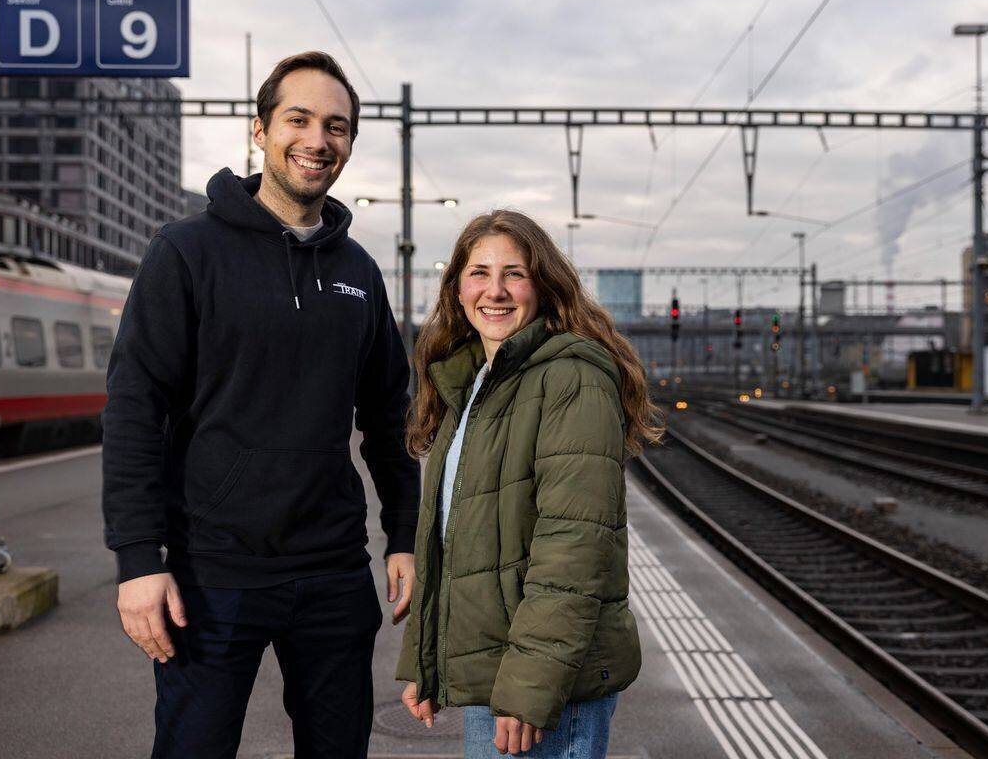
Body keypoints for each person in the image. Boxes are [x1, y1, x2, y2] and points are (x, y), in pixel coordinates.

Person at [101, 51, 420, 759]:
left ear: (348, 145)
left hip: (333, 571)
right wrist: (135, 559)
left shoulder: (359, 273)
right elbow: (133, 409)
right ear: (259, 129)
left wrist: (404, 534)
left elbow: (390, 416)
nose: (317, 140)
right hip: (210, 575)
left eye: (336, 127)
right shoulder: (186, 253)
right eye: (298, 119)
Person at [396, 210, 663, 757]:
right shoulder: (475, 383)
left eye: (514, 273)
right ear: (456, 288)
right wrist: (424, 662)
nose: (495, 290)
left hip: (544, 686)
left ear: (542, 286)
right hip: (500, 669)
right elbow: (451, 542)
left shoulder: (571, 379)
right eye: (478, 273)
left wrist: (529, 688)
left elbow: (573, 553)